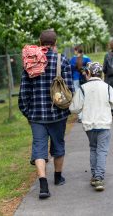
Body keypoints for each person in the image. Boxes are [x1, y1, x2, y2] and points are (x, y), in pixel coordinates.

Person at [18, 29, 74, 199]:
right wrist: (66, 109)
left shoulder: (30, 60)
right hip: (57, 114)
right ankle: (58, 177)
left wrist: (27, 112)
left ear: (40, 42)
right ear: (55, 43)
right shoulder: (62, 60)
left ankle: (43, 184)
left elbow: (24, 91)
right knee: (58, 145)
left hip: (36, 115)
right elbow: (70, 89)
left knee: (39, 147)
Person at [69, 62, 113, 191]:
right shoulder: (107, 87)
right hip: (103, 123)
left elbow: (74, 108)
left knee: (93, 148)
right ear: (101, 74)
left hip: (89, 125)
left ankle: (94, 175)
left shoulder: (83, 88)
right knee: (102, 151)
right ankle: (99, 178)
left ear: (89, 73)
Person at [70, 45, 91, 123]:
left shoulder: (72, 59)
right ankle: (86, 115)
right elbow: (90, 69)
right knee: (85, 96)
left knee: (78, 97)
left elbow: (70, 70)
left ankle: (80, 116)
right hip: (84, 79)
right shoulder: (87, 58)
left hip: (75, 79)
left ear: (76, 51)